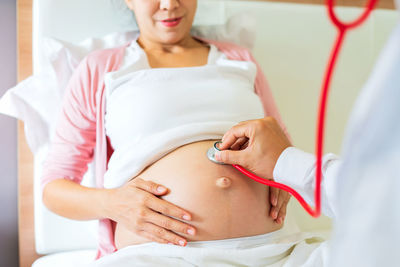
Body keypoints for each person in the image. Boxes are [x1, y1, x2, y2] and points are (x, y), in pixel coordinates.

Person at [40, 0, 292, 260]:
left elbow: (280, 143)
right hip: (157, 254)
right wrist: (114, 204)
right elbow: (54, 187)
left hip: (269, 249)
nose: (170, 5)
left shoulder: (239, 59)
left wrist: (285, 173)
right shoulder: (101, 68)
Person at [215, 7, 400, 266]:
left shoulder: (235, 56)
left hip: (286, 251)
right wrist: (286, 164)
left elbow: (379, 202)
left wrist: (285, 164)